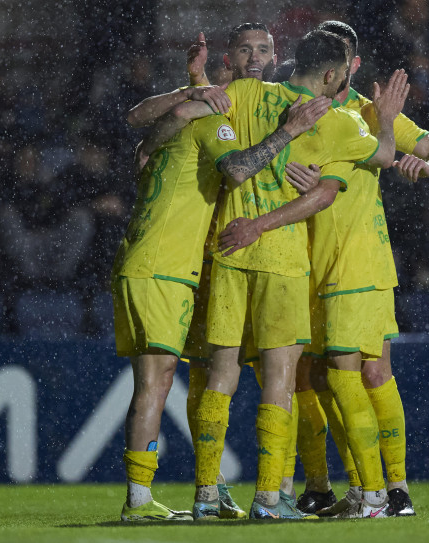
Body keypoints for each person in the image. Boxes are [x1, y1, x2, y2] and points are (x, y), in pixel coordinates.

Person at [138, 29, 399, 520]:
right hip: (281, 259)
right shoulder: (340, 121)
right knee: (280, 380)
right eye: (340, 77)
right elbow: (385, 156)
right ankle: (269, 499)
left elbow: (175, 116)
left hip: (228, 254)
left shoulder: (243, 93)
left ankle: (205, 495)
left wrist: (159, 134)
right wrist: (384, 121)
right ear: (329, 74)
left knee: (220, 376)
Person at [113, 55, 330, 521]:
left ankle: (200, 492)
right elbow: (237, 170)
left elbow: (141, 144)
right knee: (158, 380)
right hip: (163, 268)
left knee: (182, 375)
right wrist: (288, 134)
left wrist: (186, 95)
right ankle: (140, 499)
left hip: (150, 263)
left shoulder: (176, 125)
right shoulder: (213, 124)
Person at [290, 20, 429, 518]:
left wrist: (427, 167)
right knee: (315, 380)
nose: (336, 67)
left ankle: (390, 490)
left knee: (369, 371)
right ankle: (338, 487)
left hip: (359, 263)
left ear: (354, 65)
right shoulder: (296, 111)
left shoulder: (370, 113)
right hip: (305, 267)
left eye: (345, 57)